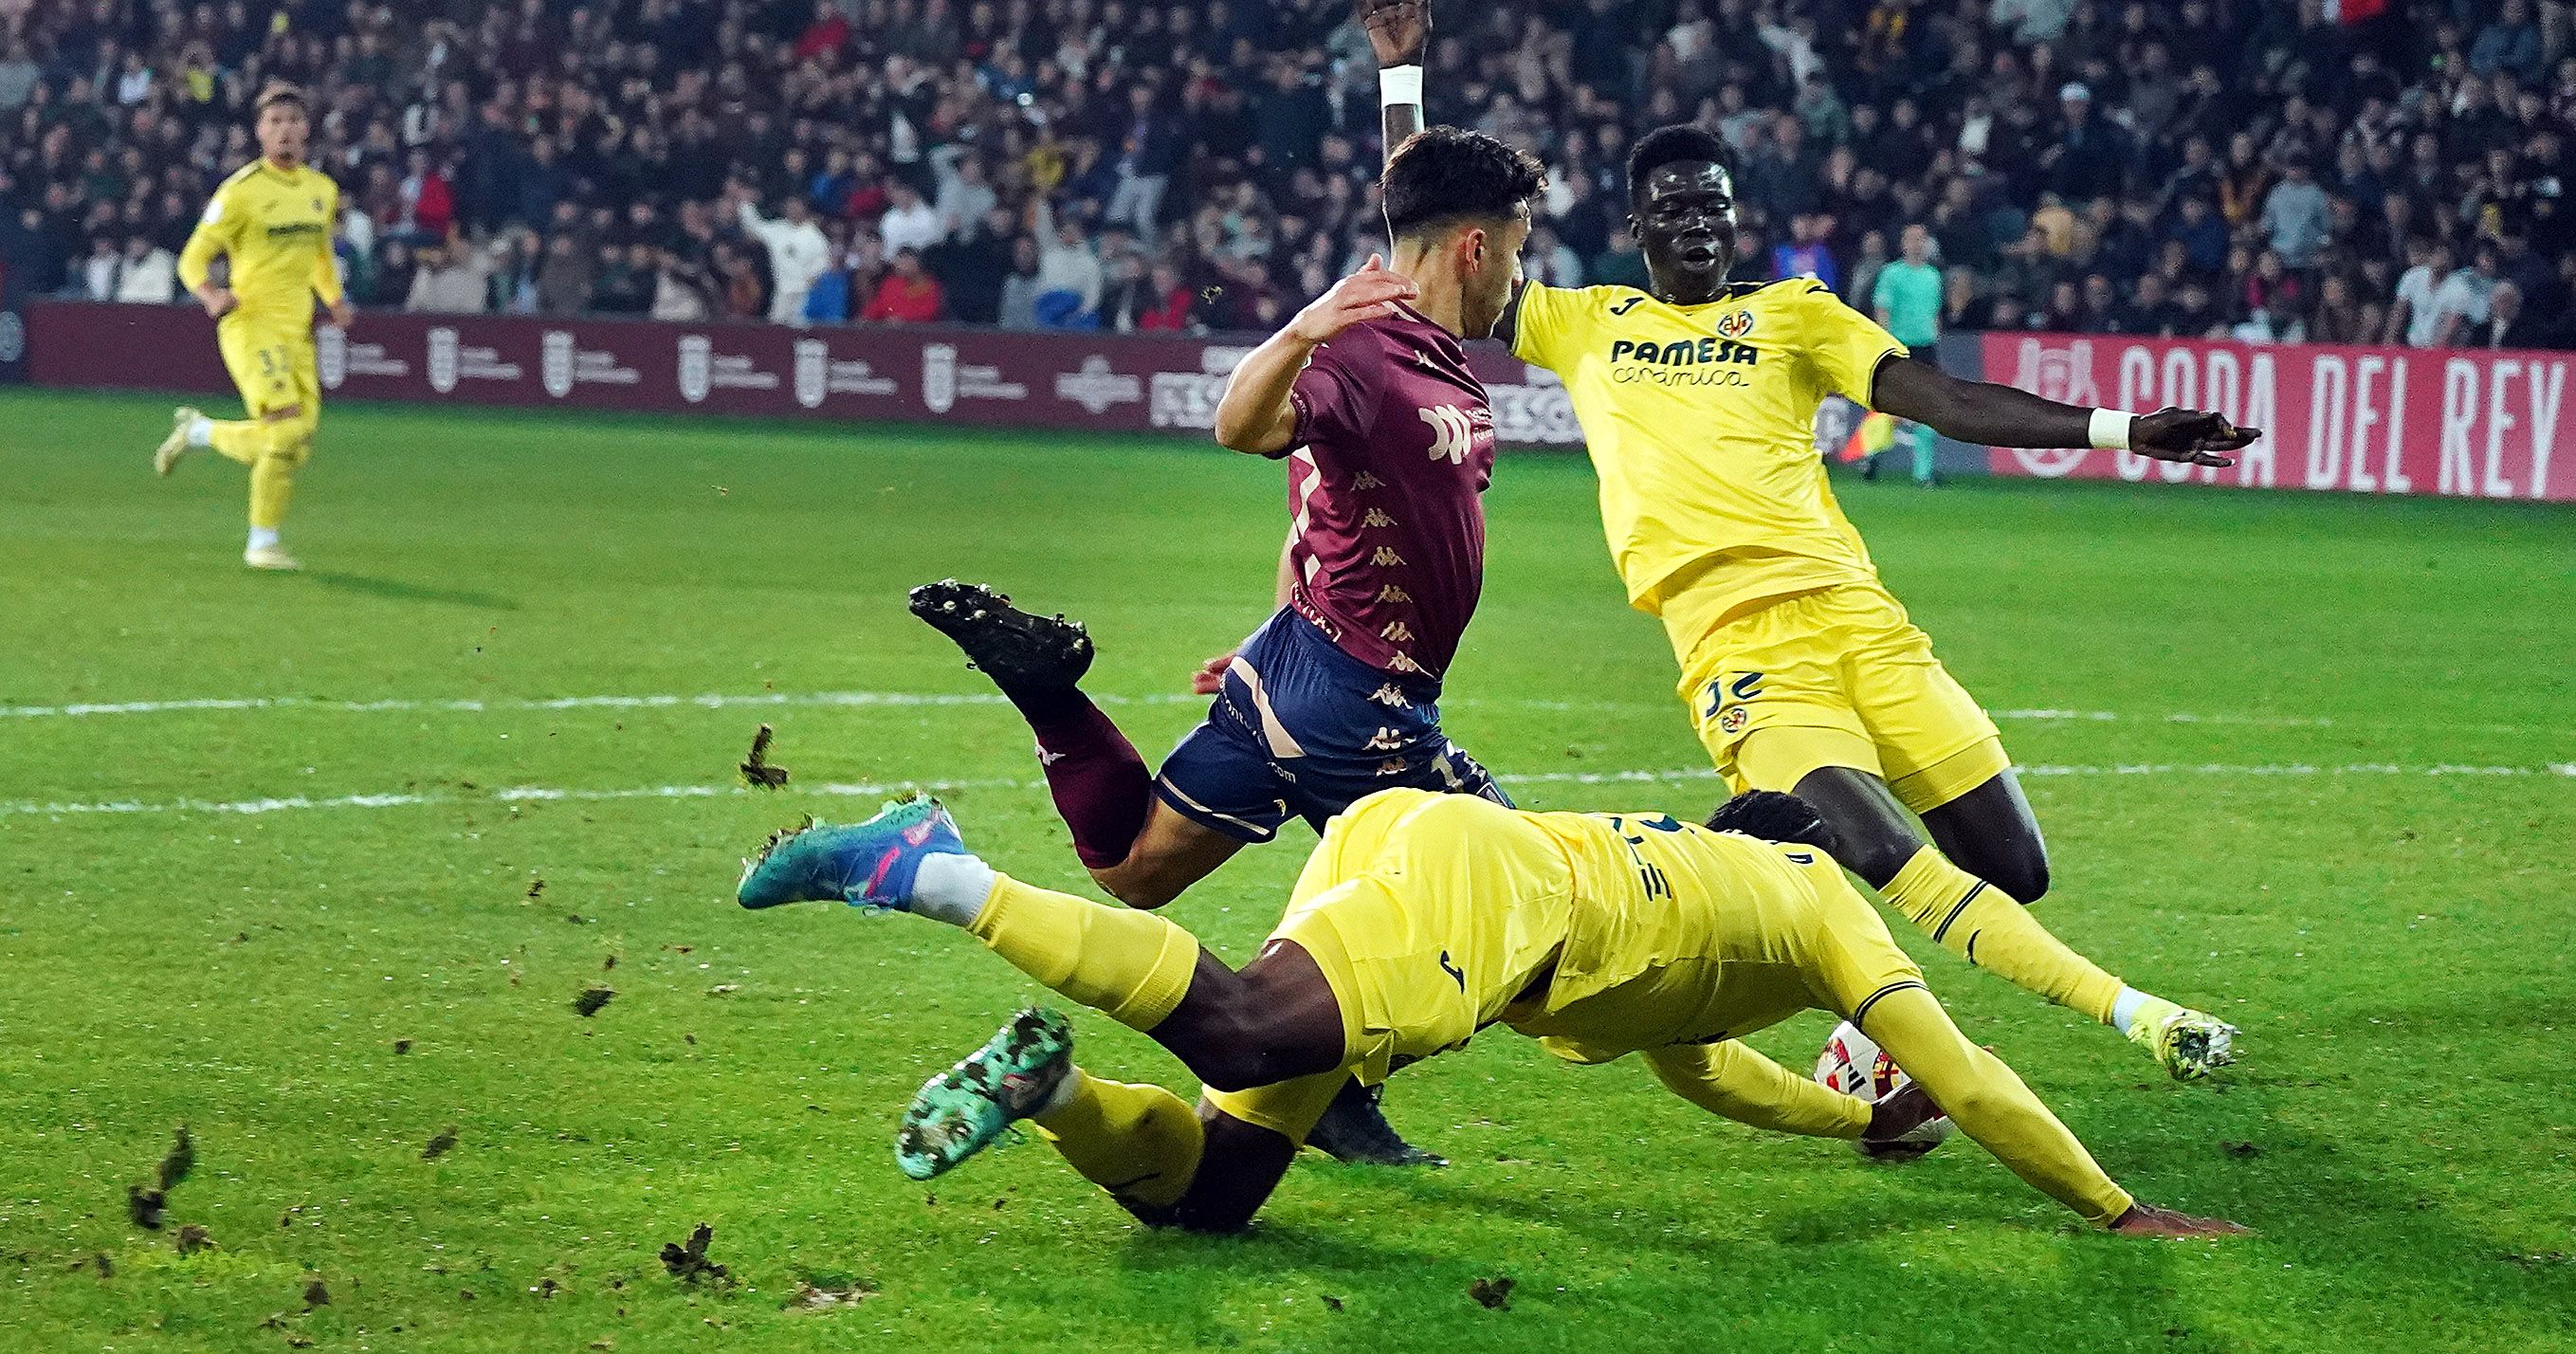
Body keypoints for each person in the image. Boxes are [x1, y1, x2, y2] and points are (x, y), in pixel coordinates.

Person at [1379, 15, 2253, 1080]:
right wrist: (1401, 75)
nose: (1694, 222)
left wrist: (2121, 432)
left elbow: (1944, 400)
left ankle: (1837, 1022)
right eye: (1671, 208)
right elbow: (1428, 238)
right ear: (1638, 226)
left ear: (1736, 220)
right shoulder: (1583, 320)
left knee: (2010, 868)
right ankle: (2052, 1021)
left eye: (1711, 205)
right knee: (1881, 852)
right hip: (1740, 646)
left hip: (1862, 624)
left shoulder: (1797, 315)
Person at [731, 787, 2248, 1240]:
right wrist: (2119, 1212)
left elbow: (1705, 1072)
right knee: (1257, 1027)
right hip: (1495, 895)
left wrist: (1850, 1120)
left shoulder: (1727, 915)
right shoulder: (1823, 905)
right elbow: (1972, 1074)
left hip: (1436, 845)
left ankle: (1046, 1089)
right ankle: (932, 873)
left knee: (1218, 1192)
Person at [904, 118, 1543, 1165]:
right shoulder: (1363, 346)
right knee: (1511, 903)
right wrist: (1299, 329)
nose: (1520, 275)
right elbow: (1240, 429)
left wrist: (1400, 73)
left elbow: (1412, 200)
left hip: (1298, 657)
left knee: (1137, 868)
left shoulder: (1413, 333)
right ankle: (1323, 1077)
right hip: (1362, 701)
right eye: (1517, 249)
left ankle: (1051, 699)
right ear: (1475, 248)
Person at [153, 83, 352, 572]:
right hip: (250, 325)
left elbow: (319, 254)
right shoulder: (240, 192)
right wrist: (210, 294)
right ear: (260, 132)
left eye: (292, 120)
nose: (284, 130)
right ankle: (262, 543)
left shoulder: (321, 191)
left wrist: (334, 298)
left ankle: (199, 433)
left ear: (307, 130)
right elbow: (192, 257)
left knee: (294, 443)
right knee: (283, 432)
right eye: (274, 122)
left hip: (297, 332)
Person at [1867, 222, 1943, 486]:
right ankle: (1873, 455)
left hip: (1925, 347)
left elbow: (1934, 313)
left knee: (1929, 409)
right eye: (1911, 239)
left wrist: (1935, 335)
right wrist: (1883, 344)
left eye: (1920, 239)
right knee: (1890, 408)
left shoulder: (1933, 276)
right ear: (1903, 243)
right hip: (1899, 345)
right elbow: (1882, 310)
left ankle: (1923, 473)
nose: (1916, 244)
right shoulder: (1891, 274)